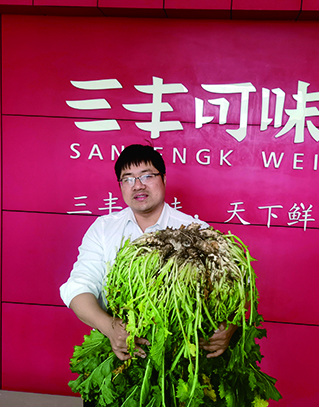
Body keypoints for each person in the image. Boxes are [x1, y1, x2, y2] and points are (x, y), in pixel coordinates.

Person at [60, 144, 237, 367]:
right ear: (120, 186)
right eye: (128, 179)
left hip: (183, 357)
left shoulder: (197, 231)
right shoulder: (104, 228)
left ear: (164, 179)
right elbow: (79, 286)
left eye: (147, 176)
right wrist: (110, 327)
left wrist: (230, 326)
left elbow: (231, 290)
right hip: (121, 353)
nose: (138, 185)